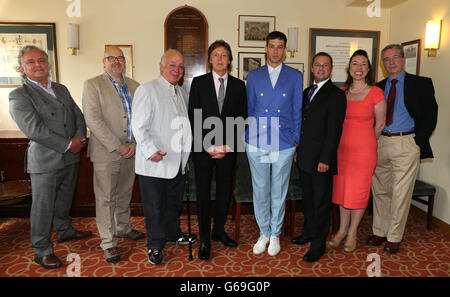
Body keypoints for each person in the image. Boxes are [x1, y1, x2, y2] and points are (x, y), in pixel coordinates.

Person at [9, 45, 92, 269]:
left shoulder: (61, 88)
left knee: (65, 200)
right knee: (43, 207)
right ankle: (42, 249)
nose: (38, 65)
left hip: (71, 157)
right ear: (22, 67)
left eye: (42, 60)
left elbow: (78, 115)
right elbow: (34, 130)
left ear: (48, 64)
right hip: (46, 160)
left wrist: (79, 139)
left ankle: (64, 231)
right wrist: (68, 144)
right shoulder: (19, 95)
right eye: (31, 62)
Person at [368, 44, 438, 254]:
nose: (391, 62)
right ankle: (379, 231)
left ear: (403, 59)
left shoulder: (421, 84)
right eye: (387, 59)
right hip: (380, 142)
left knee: (400, 193)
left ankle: (394, 236)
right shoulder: (377, 87)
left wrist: (419, 140)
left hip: (406, 143)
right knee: (380, 190)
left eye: (395, 57)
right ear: (382, 63)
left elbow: (430, 114)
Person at [131, 49, 195, 265]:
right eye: (172, 65)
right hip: (155, 163)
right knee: (155, 208)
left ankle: (173, 233)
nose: (177, 70)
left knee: (172, 205)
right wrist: (150, 151)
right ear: (161, 66)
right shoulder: (147, 89)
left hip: (177, 163)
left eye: (180, 66)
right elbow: (138, 126)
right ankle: (155, 246)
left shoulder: (181, 93)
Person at [82, 45, 145, 263]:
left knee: (124, 193)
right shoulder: (93, 85)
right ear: (104, 61)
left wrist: (136, 143)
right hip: (107, 152)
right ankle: (108, 242)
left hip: (132, 150)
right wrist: (118, 146)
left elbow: (142, 118)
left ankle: (124, 227)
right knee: (106, 198)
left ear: (125, 61)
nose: (116, 61)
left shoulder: (136, 86)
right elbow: (93, 120)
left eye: (120, 58)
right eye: (111, 58)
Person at [188, 40, 247, 260]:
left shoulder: (239, 86)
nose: (220, 59)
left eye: (224, 55)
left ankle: (219, 231)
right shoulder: (199, 83)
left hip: (227, 149)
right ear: (210, 59)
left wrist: (227, 146)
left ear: (230, 59)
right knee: (203, 193)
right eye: (215, 55)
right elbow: (193, 117)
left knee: (224, 191)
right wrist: (207, 145)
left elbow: (241, 118)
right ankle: (204, 239)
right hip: (203, 149)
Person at [245, 31, 302, 256]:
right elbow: (250, 108)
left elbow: (297, 109)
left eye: (280, 46)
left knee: (278, 189)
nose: (276, 50)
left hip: (284, 141)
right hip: (257, 139)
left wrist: (296, 139)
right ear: (266, 49)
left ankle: (276, 233)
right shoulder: (254, 75)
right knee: (260, 190)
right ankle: (264, 232)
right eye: (272, 46)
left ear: (285, 50)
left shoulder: (295, 76)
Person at [290, 52, 347, 262]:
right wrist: (298, 150)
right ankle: (308, 233)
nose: (321, 68)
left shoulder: (336, 95)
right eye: (317, 65)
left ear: (331, 69)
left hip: (322, 161)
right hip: (305, 157)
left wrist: (326, 159)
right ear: (312, 68)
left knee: (321, 202)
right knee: (308, 199)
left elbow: (334, 130)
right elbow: (302, 125)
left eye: (325, 65)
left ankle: (318, 244)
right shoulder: (306, 92)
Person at [329, 49, 386, 253]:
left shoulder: (376, 93)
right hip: (341, 151)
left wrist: (365, 142)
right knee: (343, 190)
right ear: (349, 67)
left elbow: (380, 125)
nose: (359, 68)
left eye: (363, 64)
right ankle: (342, 230)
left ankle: (352, 232)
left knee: (358, 192)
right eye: (355, 63)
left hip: (364, 152)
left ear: (369, 69)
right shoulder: (341, 92)